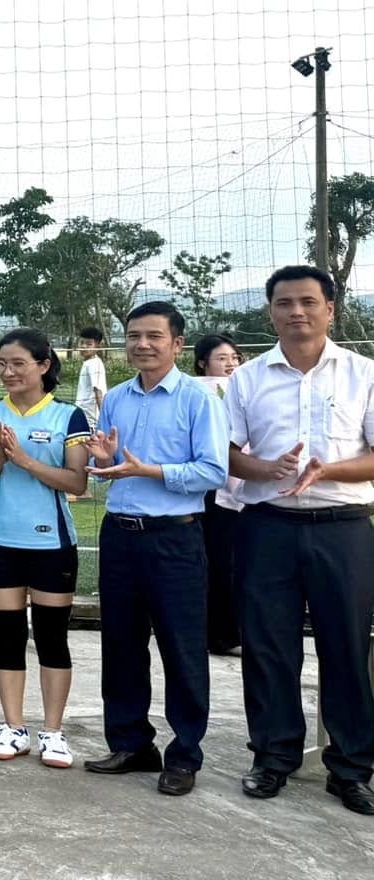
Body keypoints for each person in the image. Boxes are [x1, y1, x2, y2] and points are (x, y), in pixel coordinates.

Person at [225, 265, 374, 815]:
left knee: (347, 648)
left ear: (330, 309)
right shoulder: (247, 379)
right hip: (268, 527)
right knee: (267, 647)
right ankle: (272, 756)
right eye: (284, 303)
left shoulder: (363, 374)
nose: (296, 312)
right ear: (271, 311)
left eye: (308, 301)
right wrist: (264, 469)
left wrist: (328, 470)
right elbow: (228, 452)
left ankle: (351, 768)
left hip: (343, 529)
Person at [83, 301, 226, 797]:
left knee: (182, 648)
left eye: (154, 336)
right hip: (120, 534)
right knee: (121, 645)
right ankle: (131, 744)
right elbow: (110, 470)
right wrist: (105, 462)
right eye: (133, 336)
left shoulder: (198, 399)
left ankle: (184, 755)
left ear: (177, 344)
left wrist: (150, 471)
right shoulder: (116, 398)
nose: (142, 344)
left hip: (175, 538)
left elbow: (213, 471)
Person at [0, 328, 91, 768]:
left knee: (51, 637)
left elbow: (77, 482)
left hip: (51, 543)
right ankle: (13, 727)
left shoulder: (67, 416)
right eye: (2, 364)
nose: (8, 372)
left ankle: (53, 732)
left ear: (43, 365)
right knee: (8, 636)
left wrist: (25, 460)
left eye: (18, 363)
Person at [193, 333, 245, 656]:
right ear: (202, 363)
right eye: (222, 358)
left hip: (239, 487)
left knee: (234, 561)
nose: (230, 364)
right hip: (208, 490)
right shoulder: (198, 391)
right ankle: (218, 633)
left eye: (234, 358)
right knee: (216, 561)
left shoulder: (243, 387)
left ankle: (230, 631)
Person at [75, 327, 108, 430]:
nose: (84, 346)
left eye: (89, 344)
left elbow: (98, 391)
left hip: (90, 420)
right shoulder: (88, 363)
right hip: (82, 414)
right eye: (82, 343)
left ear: (97, 347)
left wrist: (104, 419)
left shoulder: (94, 364)